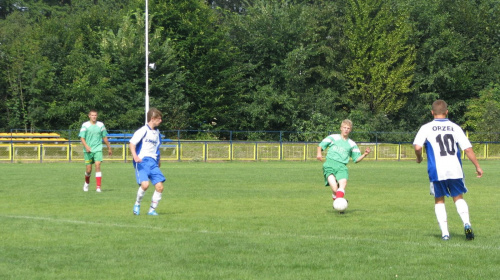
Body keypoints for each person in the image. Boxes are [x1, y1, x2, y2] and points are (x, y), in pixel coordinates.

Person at [413, 100, 483, 241]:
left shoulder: (426, 127)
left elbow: (417, 147)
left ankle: (445, 233)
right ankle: (466, 223)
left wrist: (419, 158)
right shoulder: (455, 127)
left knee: (439, 200)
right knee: (458, 197)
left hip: (437, 170)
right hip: (455, 168)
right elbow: (467, 149)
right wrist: (477, 166)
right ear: (447, 112)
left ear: (432, 112)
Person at [316, 119, 371, 209]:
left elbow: (356, 159)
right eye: (344, 127)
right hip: (329, 164)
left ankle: (338, 204)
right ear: (341, 128)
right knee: (334, 189)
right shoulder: (333, 137)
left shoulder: (352, 143)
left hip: (342, 166)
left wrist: (364, 154)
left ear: (350, 130)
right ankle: (340, 202)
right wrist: (319, 153)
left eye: (348, 128)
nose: (346, 129)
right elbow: (320, 146)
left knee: (343, 183)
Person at [130, 108, 165, 216]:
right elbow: (132, 143)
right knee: (145, 185)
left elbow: (157, 148)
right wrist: (135, 156)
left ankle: (152, 210)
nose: (161, 121)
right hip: (142, 161)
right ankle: (137, 204)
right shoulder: (143, 130)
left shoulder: (157, 133)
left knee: (160, 187)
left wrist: (158, 160)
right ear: (152, 119)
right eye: (159, 119)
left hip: (153, 162)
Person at [79, 109, 112, 192]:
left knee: (98, 165)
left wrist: (109, 148)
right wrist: (86, 146)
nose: (94, 117)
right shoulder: (85, 125)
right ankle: (86, 183)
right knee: (88, 170)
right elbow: (82, 138)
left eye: (95, 115)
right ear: (89, 116)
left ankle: (98, 187)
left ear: (97, 116)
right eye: (92, 115)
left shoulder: (101, 125)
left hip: (98, 149)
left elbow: (104, 137)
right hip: (88, 150)